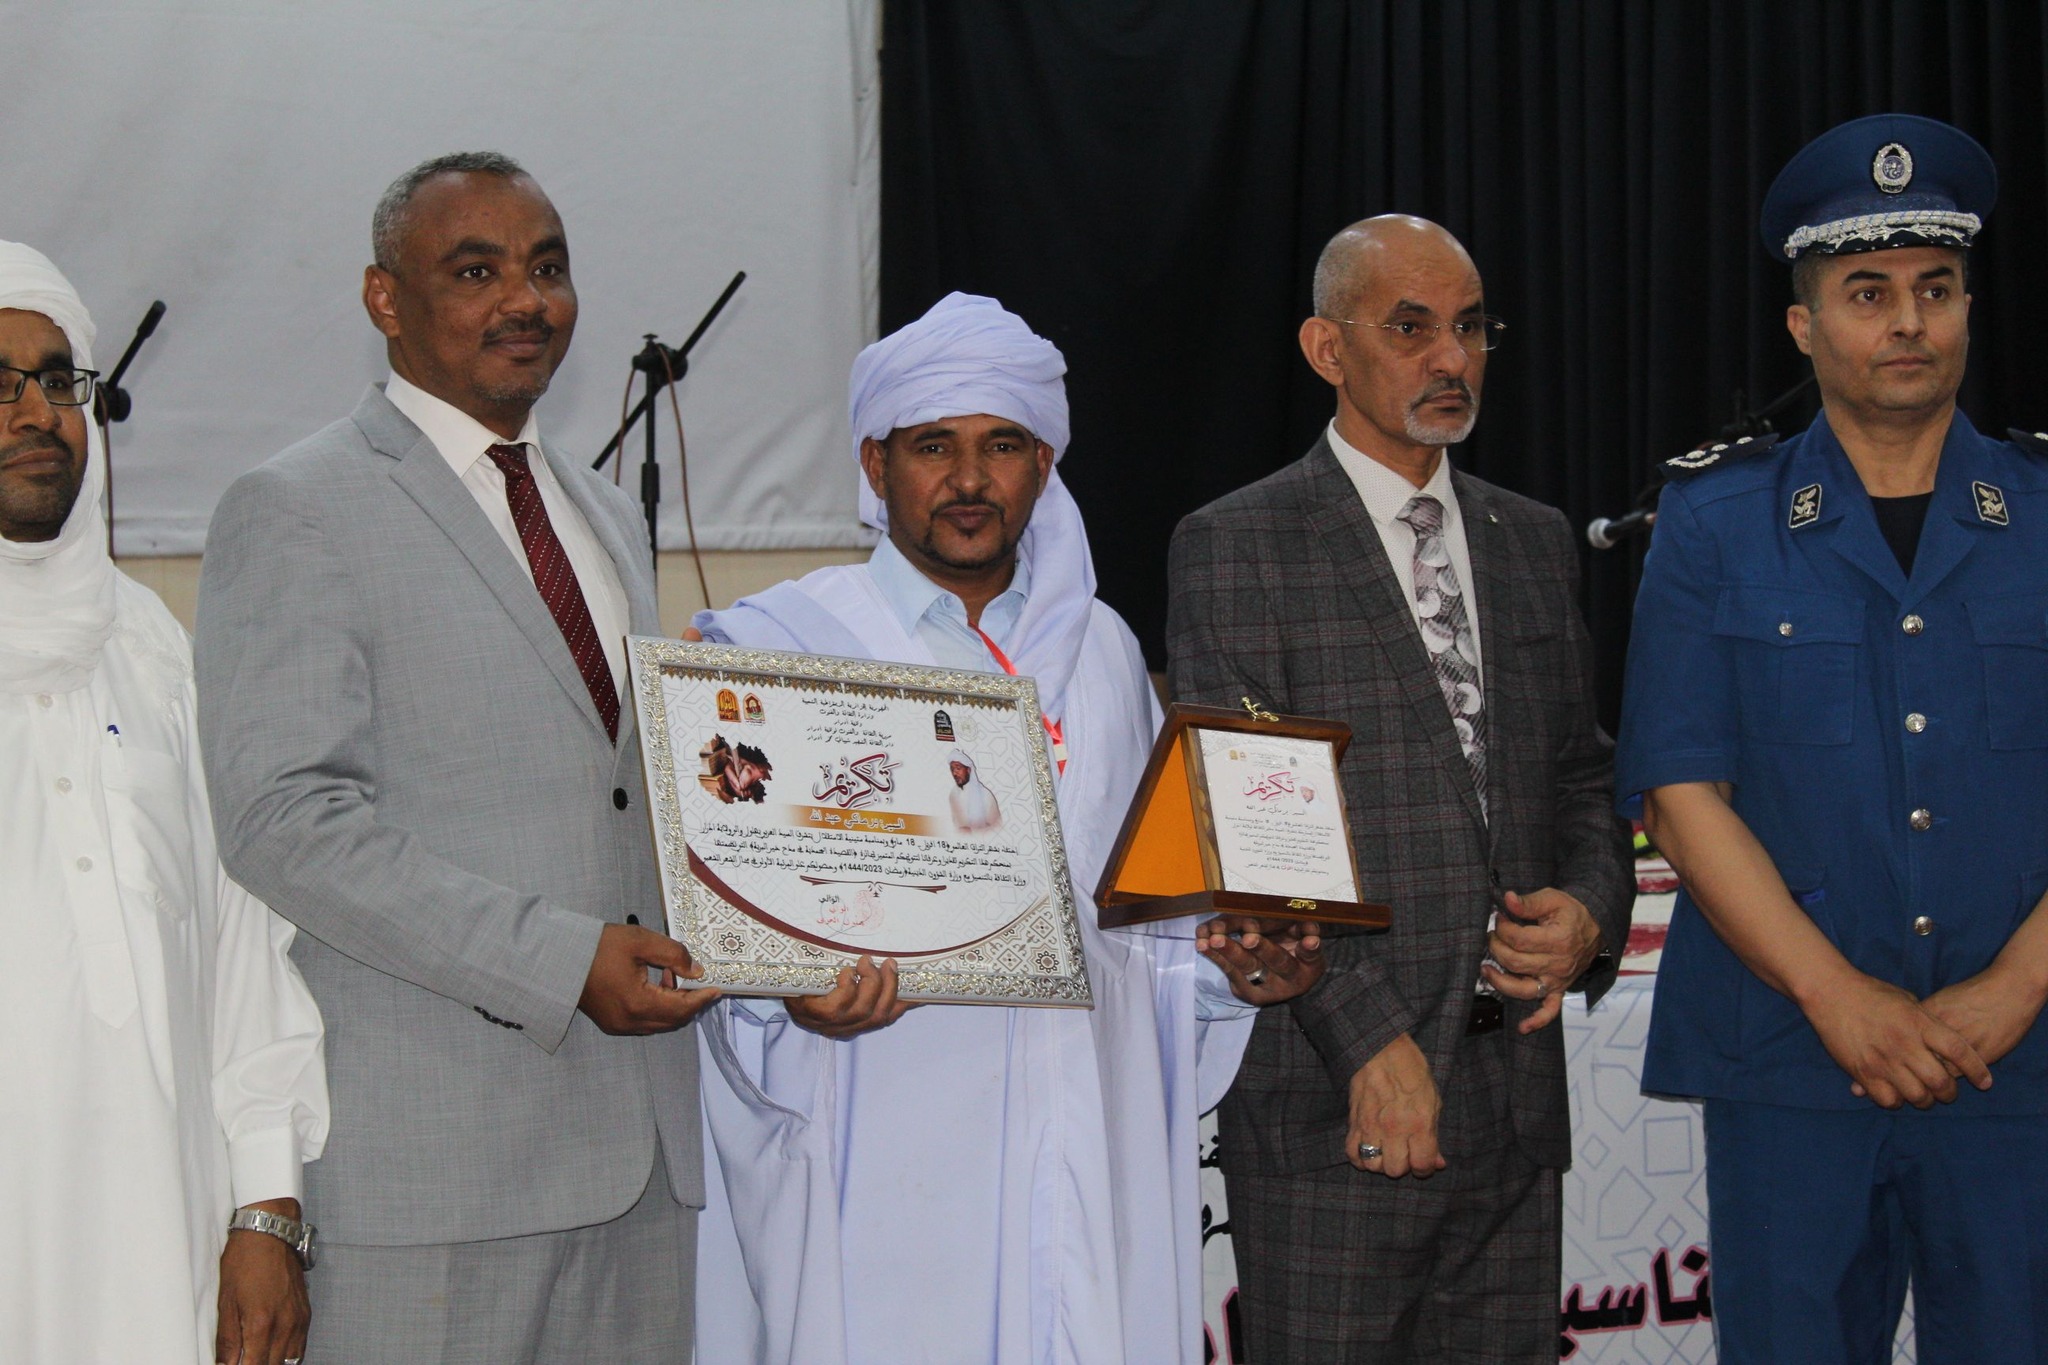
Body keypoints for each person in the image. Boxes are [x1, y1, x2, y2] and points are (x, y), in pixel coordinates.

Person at [689, 291, 1323, 1364]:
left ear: (1044, 464)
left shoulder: (1104, 651)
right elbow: (730, 941)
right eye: (933, 445)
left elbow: (1138, 935)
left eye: (1003, 445)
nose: (970, 479)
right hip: (880, 1148)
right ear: (875, 463)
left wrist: (1233, 976)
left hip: (1083, 1142)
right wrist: (791, 996)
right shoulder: (781, 647)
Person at [194, 152, 714, 1362]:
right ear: (385, 298)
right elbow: (281, 821)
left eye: (547, 268)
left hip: (642, 1171)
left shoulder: (602, 512)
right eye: (475, 272)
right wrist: (558, 960)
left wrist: (798, 945)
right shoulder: (297, 504)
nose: (524, 301)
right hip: (435, 1182)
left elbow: (625, 803)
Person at [1616, 113, 2048, 1363]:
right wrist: (1835, 997)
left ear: (1965, 308)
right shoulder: (1711, 521)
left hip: (2017, 1060)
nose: (1906, 321)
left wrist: (2015, 987)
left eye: (1934, 289)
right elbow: (1678, 792)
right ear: (1803, 327)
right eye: (1867, 293)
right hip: (1790, 1061)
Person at [1167, 215, 1633, 1363]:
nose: (1449, 358)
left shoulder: (1530, 539)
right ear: (1326, 348)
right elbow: (1248, 827)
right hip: (1335, 1101)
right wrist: (1369, 1044)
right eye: (1410, 328)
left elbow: (1581, 774)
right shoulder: (1237, 544)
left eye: (1469, 328)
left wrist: (1587, 911)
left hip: (1512, 1098)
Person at [0, 241, 329, 1365]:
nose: (36, 412)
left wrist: (268, 1210)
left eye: (58, 379)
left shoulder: (155, 652)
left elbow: (244, 953)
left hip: (160, 1244)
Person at [945, 747, 1001, 831]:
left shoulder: (985, 794)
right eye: (952, 769)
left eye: (958, 768)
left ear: (968, 770)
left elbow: (997, 827)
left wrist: (973, 831)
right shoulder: (953, 795)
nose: (954, 773)